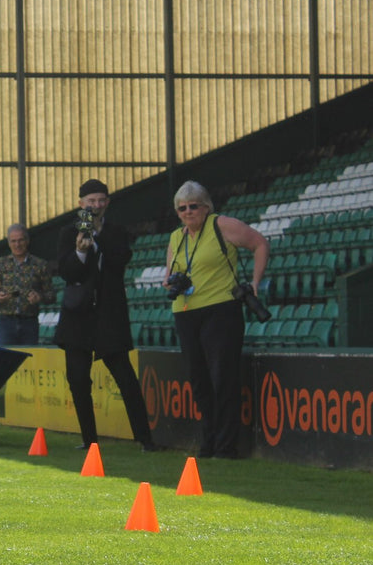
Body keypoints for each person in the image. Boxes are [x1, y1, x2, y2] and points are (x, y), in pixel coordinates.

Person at [164, 180, 269, 459]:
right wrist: (172, 283)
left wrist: (255, 283)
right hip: (186, 312)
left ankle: (226, 446)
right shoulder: (177, 237)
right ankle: (208, 440)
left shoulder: (221, 224)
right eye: (182, 208)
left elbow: (259, 243)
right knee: (198, 379)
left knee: (222, 376)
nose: (188, 212)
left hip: (221, 309)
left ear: (206, 206)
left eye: (193, 206)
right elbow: (168, 276)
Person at [54, 180, 155, 451]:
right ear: (80, 204)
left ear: (107, 202)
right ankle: (90, 441)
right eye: (90, 201)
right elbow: (68, 273)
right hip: (78, 319)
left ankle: (145, 439)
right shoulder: (68, 233)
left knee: (125, 378)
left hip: (109, 316)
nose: (95, 205)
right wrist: (80, 250)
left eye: (100, 200)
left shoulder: (116, 231)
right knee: (78, 380)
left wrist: (98, 239)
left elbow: (120, 262)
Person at [0, 224, 54, 346]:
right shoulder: (0, 264)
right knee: (5, 361)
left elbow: (51, 295)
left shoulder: (40, 265)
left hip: (30, 323)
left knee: (28, 362)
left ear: (27, 240)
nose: (17, 244)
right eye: (13, 241)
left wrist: (40, 297)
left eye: (21, 240)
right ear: (8, 243)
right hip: (5, 323)